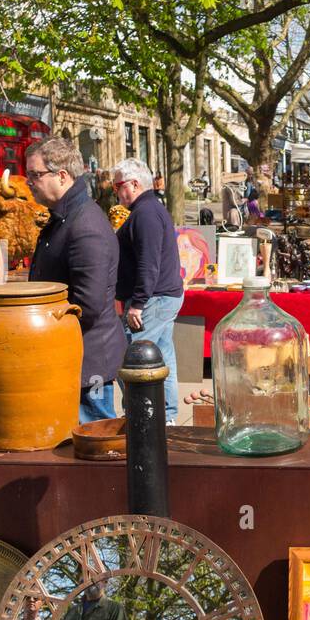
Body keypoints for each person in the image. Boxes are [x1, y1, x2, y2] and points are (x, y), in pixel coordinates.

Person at [27, 136, 128, 423]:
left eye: (35, 174)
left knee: (95, 442)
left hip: (88, 362)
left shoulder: (85, 225)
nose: (29, 182)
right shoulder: (66, 217)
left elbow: (89, 305)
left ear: (62, 176)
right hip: (72, 356)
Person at [112, 157, 184, 423]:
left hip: (154, 299)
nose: (116, 191)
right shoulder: (148, 210)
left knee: (129, 360)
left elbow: (148, 262)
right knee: (162, 357)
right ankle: (165, 418)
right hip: (159, 297)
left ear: (133, 184)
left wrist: (138, 303)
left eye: (117, 185)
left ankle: (144, 418)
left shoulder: (145, 213)